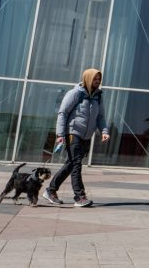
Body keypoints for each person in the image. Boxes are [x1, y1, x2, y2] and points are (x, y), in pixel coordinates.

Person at [43, 68, 110, 208]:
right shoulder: (75, 93)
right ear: (87, 78)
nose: (97, 81)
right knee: (76, 164)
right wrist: (60, 134)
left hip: (86, 136)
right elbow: (63, 113)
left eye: (99, 79)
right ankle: (79, 197)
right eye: (95, 79)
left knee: (71, 164)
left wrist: (104, 131)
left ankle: (51, 190)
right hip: (73, 133)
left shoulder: (98, 96)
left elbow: (100, 117)